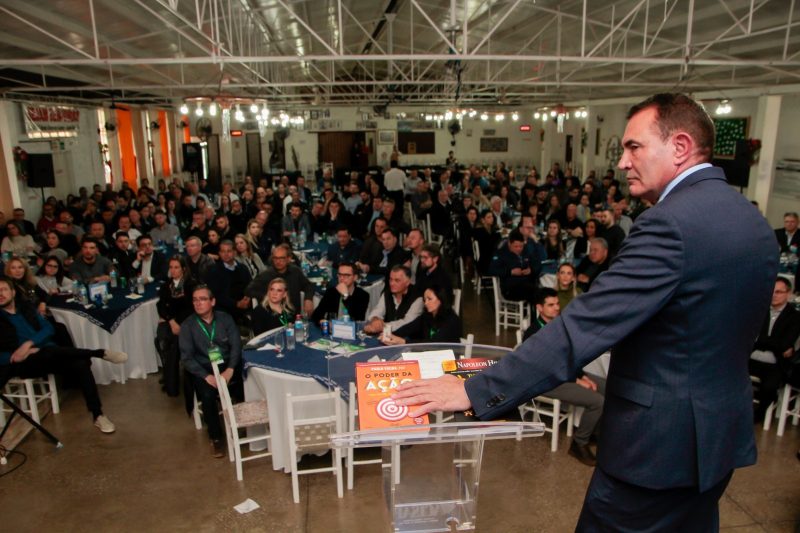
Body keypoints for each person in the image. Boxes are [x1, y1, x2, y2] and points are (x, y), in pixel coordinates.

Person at [393, 93, 778, 531]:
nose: (621, 163)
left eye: (634, 147)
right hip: (717, 441)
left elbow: (580, 328)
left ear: (680, 147)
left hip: (656, 451)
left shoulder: (668, 223)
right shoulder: (754, 223)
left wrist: (474, 391)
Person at [0, 276, 126, 433]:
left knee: (80, 363)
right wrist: (18, 354)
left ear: (12, 292)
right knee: (51, 351)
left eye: (4, 289)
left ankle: (98, 415)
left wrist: (29, 344)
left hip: (48, 354)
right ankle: (98, 352)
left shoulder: (26, 309)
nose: (1, 294)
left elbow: (49, 329)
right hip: (24, 364)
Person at [521, 288, 605, 466]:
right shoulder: (534, 333)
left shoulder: (560, 326)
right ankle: (579, 443)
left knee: (607, 386)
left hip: (567, 374)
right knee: (598, 401)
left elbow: (571, 356)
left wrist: (582, 375)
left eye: (557, 303)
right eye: (550, 305)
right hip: (546, 381)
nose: (556, 308)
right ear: (539, 308)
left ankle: (595, 433)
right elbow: (546, 368)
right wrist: (576, 380)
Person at [179, 285, 242, 458]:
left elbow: (236, 346)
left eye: (203, 299)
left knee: (246, 380)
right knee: (207, 396)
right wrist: (207, 376)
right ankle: (216, 438)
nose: (198, 303)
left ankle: (244, 427)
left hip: (227, 364)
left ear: (212, 302)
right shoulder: (188, 326)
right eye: (195, 300)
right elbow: (187, 358)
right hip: (203, 369)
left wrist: (230, 369)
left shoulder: (225, 319)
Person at [749, 277, 800, 422]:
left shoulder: (795, 317)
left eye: (778, 292)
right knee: (728, 377)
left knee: (769, 388)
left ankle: (757, 416)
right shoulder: (760, 311)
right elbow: (749, 335)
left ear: (788, 294)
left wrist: (760, 339)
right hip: (751, 357)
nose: (774, 295)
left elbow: (786, 343)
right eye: (771, 291)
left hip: (775, 363)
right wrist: (777, 343)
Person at [156, 256, 196, 397]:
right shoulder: (166, 286)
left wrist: (177, 323)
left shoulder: (191, 285)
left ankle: (171, 382)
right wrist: (171, 321)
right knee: (161, 340)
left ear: (183, 269)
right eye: (171, 267)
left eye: (176, 267)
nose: (173, 270)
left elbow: (191, 309)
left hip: (188, 322)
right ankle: (169, 376)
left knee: (174, 343)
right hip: (171, 321)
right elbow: (161, 305)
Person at [245, 244, 315, 317]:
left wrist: (308, 299)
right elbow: (249, 290)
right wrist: (268, 297)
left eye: (281, 258)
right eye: (275, 258)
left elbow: (308, 285)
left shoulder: (295, 271)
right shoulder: (266, 275)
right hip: (274, 316)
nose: (278, 261)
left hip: (294, 316)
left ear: (289, 258)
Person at [380, 285, 461, 345]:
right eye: (424, 300)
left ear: (441, 299)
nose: (426, 303)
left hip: (449, 360)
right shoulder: (427, 316)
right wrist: (390, 335)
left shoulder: (452, 320)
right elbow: (409, 328)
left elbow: (434, 344)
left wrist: (403, 341)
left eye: (429, 299)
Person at [363, 265, 423, 335]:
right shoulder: (387, 293)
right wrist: (375, 319)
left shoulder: (418, 298)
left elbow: (407, 322)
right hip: (386, 335)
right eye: (390, 279)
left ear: (408, 282)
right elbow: (378, 310)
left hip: (407, 339)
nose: (392, 283)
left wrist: (381, 326)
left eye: (397, 280)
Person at [489, 230, 539, 307]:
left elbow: (537, 263)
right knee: (536, 294)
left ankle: (532, 316)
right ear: (509, 243)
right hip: (510, 289)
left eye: (521, 246)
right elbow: (491, 270)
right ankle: (533, 317)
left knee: (540, 293)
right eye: (516, 246)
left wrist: (531, 270)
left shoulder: (526, 251)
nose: (519, 249)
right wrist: (510, 272)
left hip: (527, 284)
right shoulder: (501, 253)